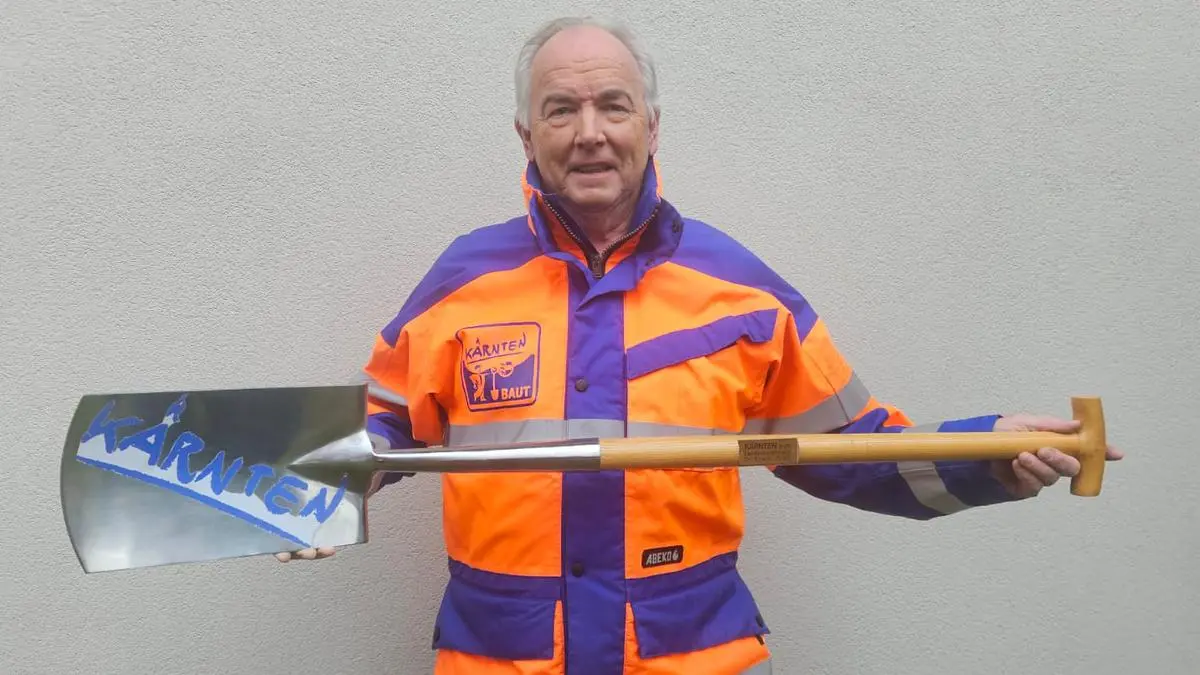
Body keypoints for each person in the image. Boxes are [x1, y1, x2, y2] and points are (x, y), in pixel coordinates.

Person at [278, 16, 1123, 674]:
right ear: (526, 135)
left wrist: (988, 456)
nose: (589, 131)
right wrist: (305, 494)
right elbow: (380, 426)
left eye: (612, 105)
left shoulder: (742, 290)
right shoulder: (462, 281)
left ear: (651, 125)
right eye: (561, 109)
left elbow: (854, 449)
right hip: (505, 659)